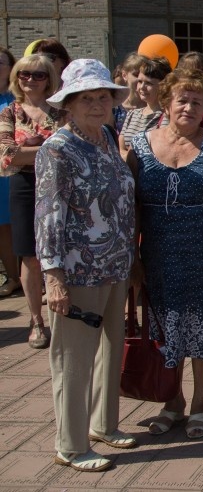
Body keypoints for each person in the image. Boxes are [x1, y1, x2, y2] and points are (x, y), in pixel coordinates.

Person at [129, 68, 203, 439]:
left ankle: (200, 404)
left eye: (198, 102)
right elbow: (129, 208)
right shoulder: (141, 144)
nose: (191, 107)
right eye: (183, 99)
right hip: (159, 256)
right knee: (167, 330)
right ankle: (172, 401)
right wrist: (133, 257)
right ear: (166, 102)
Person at [35, 59, 136, 472]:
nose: (97, 104)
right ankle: (71, 445)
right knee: (74, 358)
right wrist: (53, 277)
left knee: (110, 352)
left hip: (115, 265)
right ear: (69, 105)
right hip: (77, 270)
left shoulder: (107, 138)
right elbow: (48, 214)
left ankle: (103, 425)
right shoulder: (57, 149)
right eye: (86, 98)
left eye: (103, 97)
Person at [0, 53, 64, 347]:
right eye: (25, 73)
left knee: (61, 249)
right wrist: (50, 147)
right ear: (16, 77)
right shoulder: (10, 112)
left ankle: (63, 317)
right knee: (29, 255)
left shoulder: (61, 109)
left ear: (49, 79)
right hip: (23, 185)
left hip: (59, 185)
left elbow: (69, 148)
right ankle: (37, 321)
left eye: (38, 74)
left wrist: (27, 151)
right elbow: (7, 156)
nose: (30, 79)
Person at [119, 56, 171, 153]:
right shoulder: (132, 114)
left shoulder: (168, 116)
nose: (141, 87)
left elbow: (159, 152)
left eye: (148, 83)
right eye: (140, 81)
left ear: (163, 85)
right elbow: (121, 149)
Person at [0, 47, 18, 296]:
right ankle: (11, 276)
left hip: (13, 171)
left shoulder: (17, 97)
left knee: (13, 225)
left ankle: (20, 276)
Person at [112, 52, 148, 131]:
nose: (140, 78)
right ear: (124, 75)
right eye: (136, 74)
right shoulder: (114, 108)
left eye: (145, 74)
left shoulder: (154, 106)